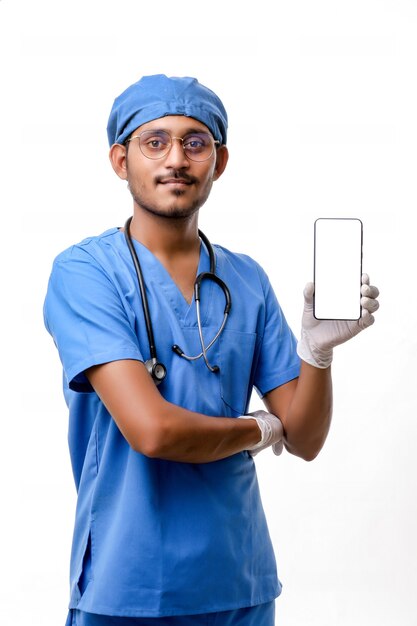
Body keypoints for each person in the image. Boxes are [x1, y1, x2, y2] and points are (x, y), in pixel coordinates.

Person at [43, 74, 379, 626]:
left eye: (195, 143)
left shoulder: (245, 279)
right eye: (155, 142)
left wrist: (316, 354)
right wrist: (259, 429)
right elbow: (153, 431)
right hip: (129, 585)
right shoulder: (86, 272)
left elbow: (306, 438)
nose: (176, 158)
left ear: (218, 162)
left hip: (238, 581)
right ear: (120, 160)